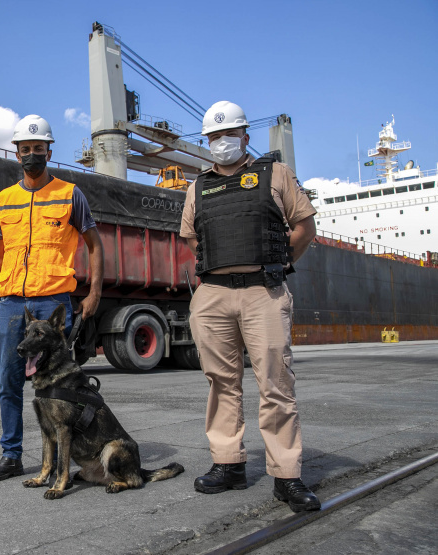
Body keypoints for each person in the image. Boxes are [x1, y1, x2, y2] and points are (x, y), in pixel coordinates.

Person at [180, 101, 321, 512]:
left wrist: (280, 264)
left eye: (228, 134)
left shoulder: (276, 174)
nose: (221, 141)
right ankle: (228, 464)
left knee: (276, 383)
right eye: (213, 136)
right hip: (213, 294)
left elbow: (305, 227)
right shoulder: (196, 187)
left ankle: (287, 475)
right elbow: (192, 239)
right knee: (220, 382)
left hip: (264, 291)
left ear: (244, 136)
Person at [0, 114, 104, 482]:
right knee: (9, 381)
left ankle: (63, 459)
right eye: (25, 148)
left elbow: (94, 245)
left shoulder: (70, 194)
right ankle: (11, 455)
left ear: (49, 152)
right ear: (16, 153)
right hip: (12, 303)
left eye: (38, 148)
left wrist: (94, 292)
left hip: (52, 304)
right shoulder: (5, 199)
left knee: (58, 385)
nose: (31, 154)